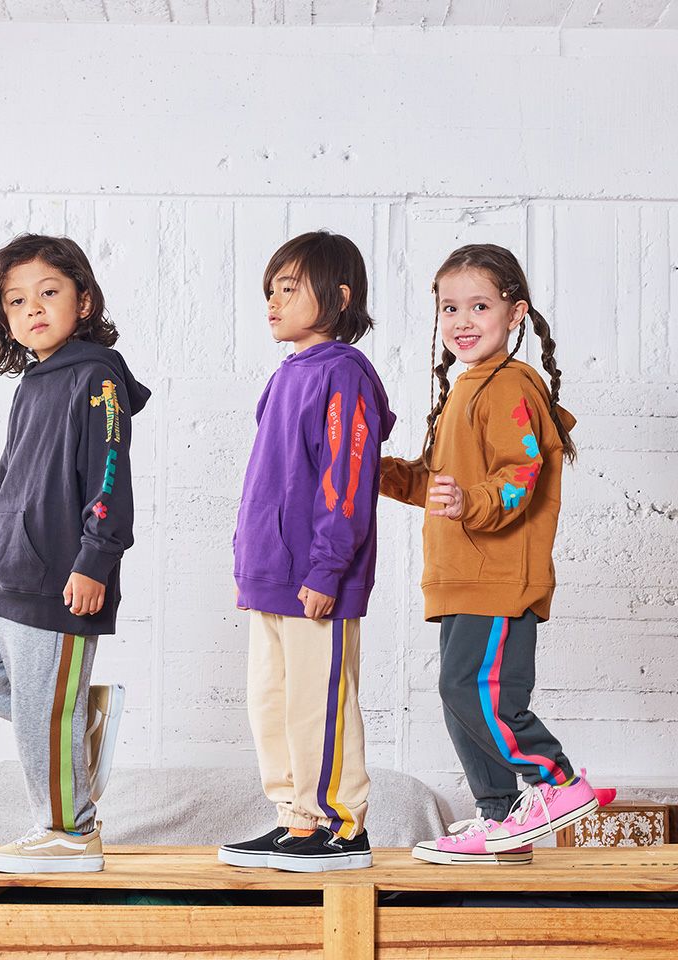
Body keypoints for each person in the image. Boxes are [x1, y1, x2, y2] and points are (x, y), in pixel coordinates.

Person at [0, 234, 149, 873]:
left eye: (49, 292)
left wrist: (95, 561)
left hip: (62, 578)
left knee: (41, 715)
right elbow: (13, 477)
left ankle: (68, 832)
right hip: (10, 572)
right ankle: (71, 720)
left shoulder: (97, 378)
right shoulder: (34, 381)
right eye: (16, 300)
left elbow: (110, 475)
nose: (33, 307)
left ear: (83, 301)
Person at [381, 243, 598, 865]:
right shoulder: (467, 388)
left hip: (499, 577)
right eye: (450, 308)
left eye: (479, 306)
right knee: (459, 696)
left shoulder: (509, 386)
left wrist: (469, 502)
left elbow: (519, 474)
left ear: (515, 312)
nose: (462, 321)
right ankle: (502, 818)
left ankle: (556, 780)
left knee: (476, 690)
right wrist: (377, 471)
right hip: (460, 577)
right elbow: (439, 485)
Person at [218, 231, 395, 872]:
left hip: (315, 579)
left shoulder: (342, 374)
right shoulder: (284, 377)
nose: (273, 301)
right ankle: (295, 820)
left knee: (318, 704)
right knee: (271, 702)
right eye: (271, 290)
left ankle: (338, 825)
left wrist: (327, 567)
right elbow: (267, 479)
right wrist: (248, 557)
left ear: (339, 297)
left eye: (289, 288)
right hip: (269, 575)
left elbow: (346, 478)